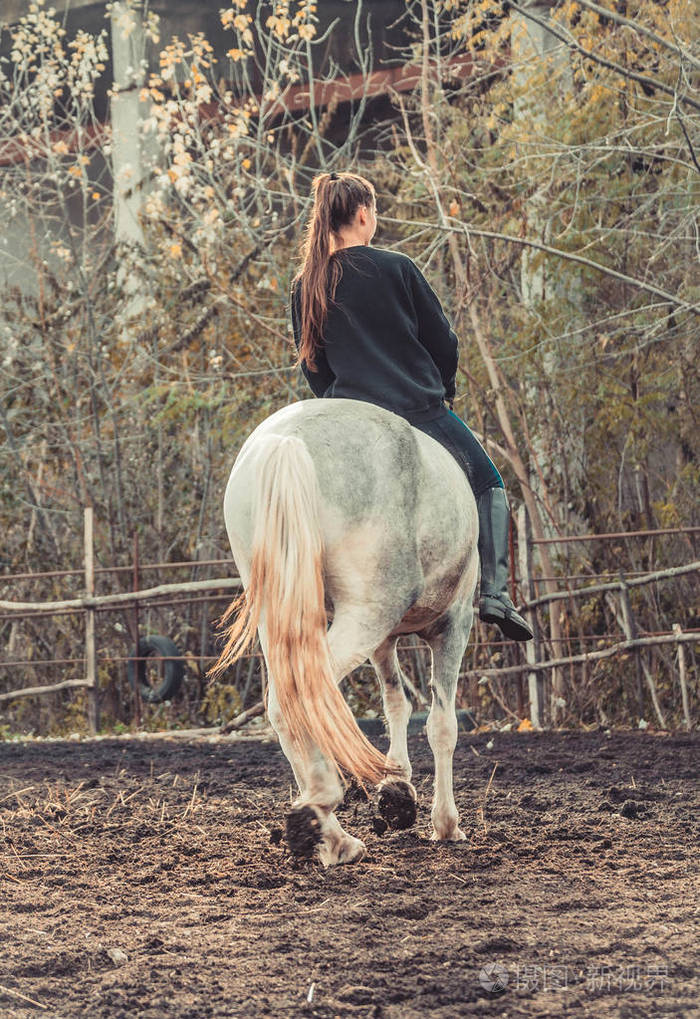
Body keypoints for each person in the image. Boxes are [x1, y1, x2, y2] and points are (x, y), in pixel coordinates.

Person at [289, 171, 533, 642]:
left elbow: (313, 369)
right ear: (363, 214)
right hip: (416, 409)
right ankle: (496, 595)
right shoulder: (396, 267)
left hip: (348, 416)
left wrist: (340, 412)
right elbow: (443, 341)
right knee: (489, 482)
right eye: (374, 210)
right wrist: (440, 389)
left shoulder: (306, 284)